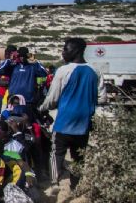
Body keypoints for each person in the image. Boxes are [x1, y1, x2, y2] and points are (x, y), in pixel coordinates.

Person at [40, 38, 104, 189]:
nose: (63, 52)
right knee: (78, 157)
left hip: (64, 122)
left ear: (75, 50)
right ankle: (75, 186)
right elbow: (102, 97)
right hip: (84, 124)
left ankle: (54, 184)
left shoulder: (63, 70)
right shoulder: (95, 71)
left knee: (56, 154)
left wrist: (42, 108)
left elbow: (52, 99)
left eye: (65, 49)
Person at [0, 47, 48, 119]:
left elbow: (44, 73)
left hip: (28, 101)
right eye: (20, 56)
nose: (22, 58)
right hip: (13, 100)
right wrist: (9, 60)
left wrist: (35, 61)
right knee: (10, 121)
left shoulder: (32, 67)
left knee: (27, 122)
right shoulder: (13, 66)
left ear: (27, 56)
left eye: (24, 56)